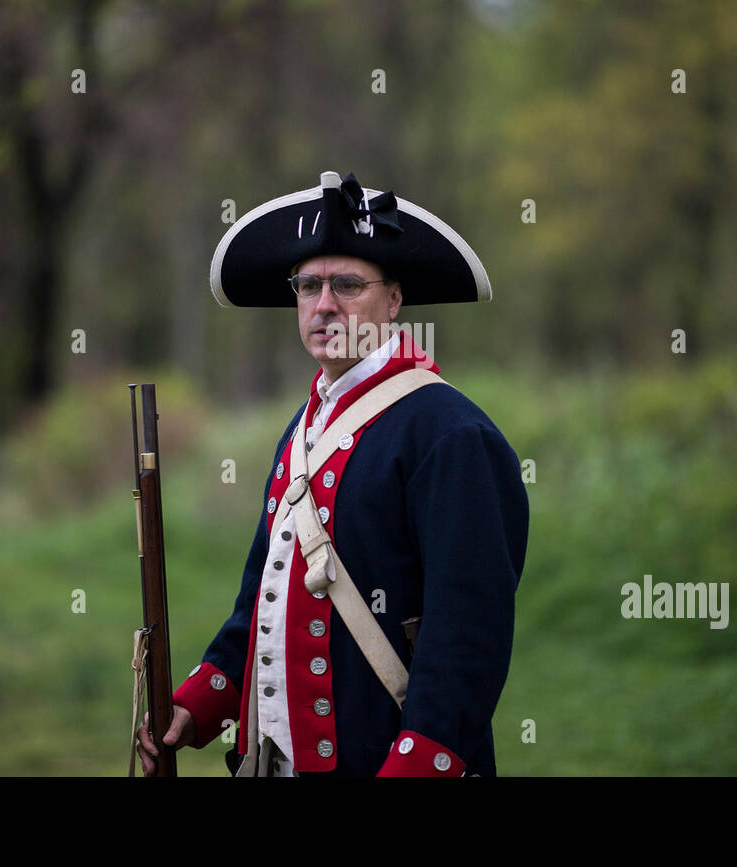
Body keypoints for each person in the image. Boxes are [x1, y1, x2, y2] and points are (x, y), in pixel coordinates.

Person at [136, 170, 528, 776]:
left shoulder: (450, 433)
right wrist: (198, 703)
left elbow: (465, 639)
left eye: (347, 284)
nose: (324, 305)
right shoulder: (304, 427)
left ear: (394, 300)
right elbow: (262, 601)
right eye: (309, 286)